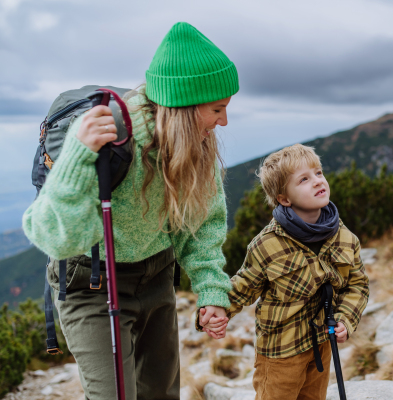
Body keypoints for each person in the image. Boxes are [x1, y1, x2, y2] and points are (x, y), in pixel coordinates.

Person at [22, 22, 236, 400]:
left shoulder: (198, 145)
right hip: (92, 283)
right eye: (217, 109)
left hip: (156, 275)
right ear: (184, 107)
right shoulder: (111, 143)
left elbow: (201, 224)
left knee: (161, 395)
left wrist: (211, 290)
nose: (224, 121)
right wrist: (77, 156)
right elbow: (55, 237)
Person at [199, 144, 370, 400]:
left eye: (318, 173)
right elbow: (244, 285)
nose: (316, 181)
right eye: (303, 179)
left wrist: (345, 318)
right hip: (280, 353)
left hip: (322, 345)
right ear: (284, 199)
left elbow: (357, 285)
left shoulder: (345, 238)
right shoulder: (266, 244)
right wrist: (217, 308)